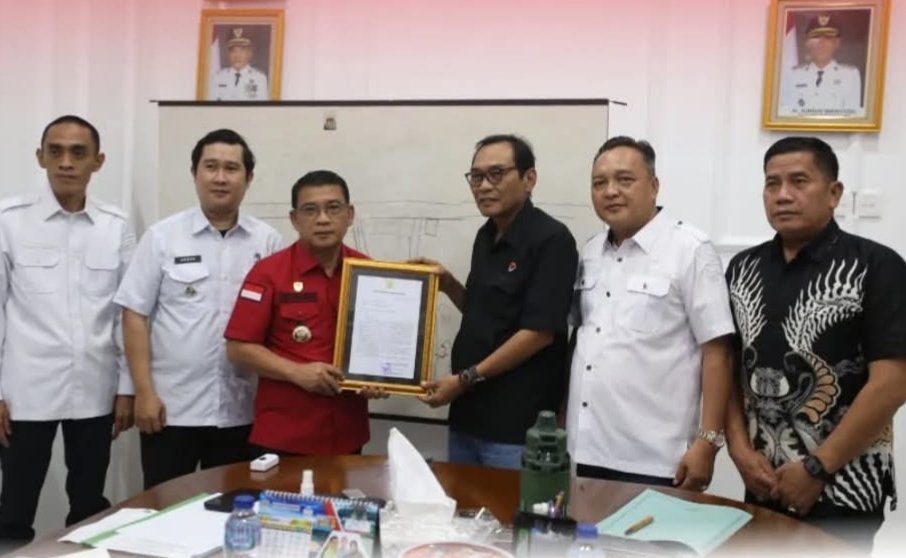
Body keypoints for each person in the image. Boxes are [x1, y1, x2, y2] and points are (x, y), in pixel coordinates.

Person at [725, 137, 906, 551]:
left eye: (799, 181)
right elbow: (728, 367)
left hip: (846, 488)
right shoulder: (742, 268)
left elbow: (894, 382)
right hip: (764, 481)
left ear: (834, 193)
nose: (783, 195)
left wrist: (817, 468)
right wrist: (737, 448)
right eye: (772, 183)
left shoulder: (877, 267)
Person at [114, 129, 282, 489]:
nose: (220, 178)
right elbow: (134, 315)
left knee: (234, 507)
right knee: (163, 508)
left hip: (241, 411)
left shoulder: (267, 241)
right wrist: (143, 392)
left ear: (248, 178)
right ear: (195, 173)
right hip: (170, 409)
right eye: (211, 167)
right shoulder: (162, 237)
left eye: (231, 168)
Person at [566, 136, 734, 489]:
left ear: (654, 186)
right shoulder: (591, 251)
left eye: (625, 180)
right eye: (599, 183)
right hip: (585, 450)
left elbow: (717, 352)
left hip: (657, 459)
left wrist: (707, 442)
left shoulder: (690, 249)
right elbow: (583, 343)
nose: (610, 191)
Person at [0, 115, 135, 541]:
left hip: (96, 387)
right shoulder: (9, 220)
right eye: (55, 151)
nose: (66, 162)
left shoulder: (115, 225)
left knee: (89, 502)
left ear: (98, 161)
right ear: (40, 157)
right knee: (14, 504)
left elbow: (126, 313)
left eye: (78, 153)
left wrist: (127, 386)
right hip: (25, 391)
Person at [416, 134, 577, 470]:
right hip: (467, 416)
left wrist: (464, 379)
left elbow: (538, 333)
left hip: (514, 425)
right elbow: (484, 314)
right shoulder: (486, 235)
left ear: (529, 179)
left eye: (497, 174)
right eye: (476, 177)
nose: (484, 186)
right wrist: (449, 285)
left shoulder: (552, 239)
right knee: (462, 504)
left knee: (508, 506)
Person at [224, 170, 383, 455]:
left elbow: (379, 346)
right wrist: (296, 372)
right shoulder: (268, 273)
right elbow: (239, 348)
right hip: (285, 435)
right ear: (295, 219)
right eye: (310, 210)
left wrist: (378, 378)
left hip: (347, 432)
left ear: (349, 215)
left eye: (333, 208)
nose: (323, 219)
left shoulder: (370, 272)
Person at [780, 14, 862, 116]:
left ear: (837, 43)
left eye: (828, 37)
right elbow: (786, 115)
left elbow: (852, 117)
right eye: (816, 37)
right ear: (807, 43)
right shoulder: (793, 75)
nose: (821, 43)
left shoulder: (850, 76)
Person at [210, 28, 269, 101]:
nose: (237, 55)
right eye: (233, 51)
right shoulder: (218, 77)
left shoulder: (259, 78)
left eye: (242, 50)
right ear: (228, 54)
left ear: (249, 53)